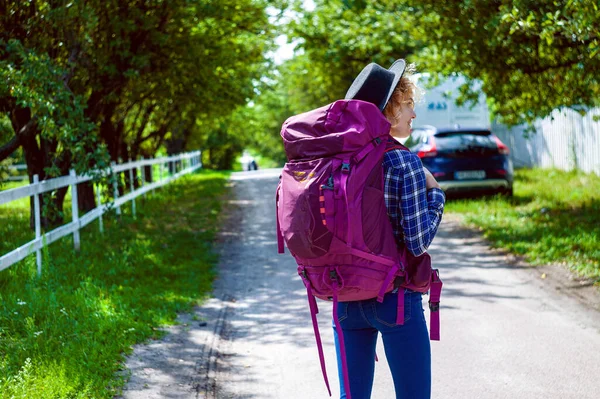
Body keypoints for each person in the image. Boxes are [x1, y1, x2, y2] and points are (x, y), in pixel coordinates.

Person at [333, 60, 446, 399]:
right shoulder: (403, 162)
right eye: (409, 105)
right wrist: (436, 195)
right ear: (392, 109)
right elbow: (417, 242)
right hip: (394, 300)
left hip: (346, 298)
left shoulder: (340, 161)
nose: (413, 115)